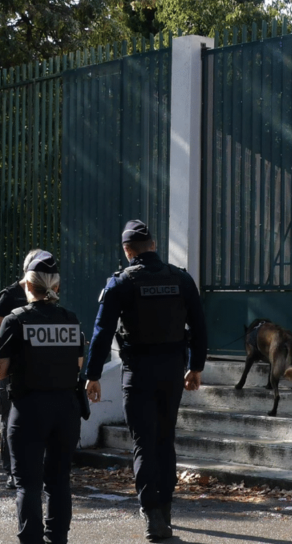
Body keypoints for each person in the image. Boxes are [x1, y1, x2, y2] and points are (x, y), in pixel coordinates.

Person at [84, 220, 208, 542]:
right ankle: (164, 509)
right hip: (172, 373)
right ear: (153, 245)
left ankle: (153, 516)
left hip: (138, 373)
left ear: (127, 251)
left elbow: (101, 334)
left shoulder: (120, 283)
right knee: (165, 440)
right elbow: (199, 326)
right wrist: (195, 368)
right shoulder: (181, 279)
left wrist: (93, 375)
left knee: (143, 443)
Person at [0, 251, 84, 544]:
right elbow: (79, 364)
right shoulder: (71, 319)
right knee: (59, 483)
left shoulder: (15, 320)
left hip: (29, 409)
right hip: (66, 410)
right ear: (55, 286)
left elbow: (1, 369)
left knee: (28, 485)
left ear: (28, 286)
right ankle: (57, 539)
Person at [0, 248, 45, 489]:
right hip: (10, 370)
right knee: (9, 419)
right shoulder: (9, 296)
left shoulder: (46, 294)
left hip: (37, 370)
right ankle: (11, 471)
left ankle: (34, 469)